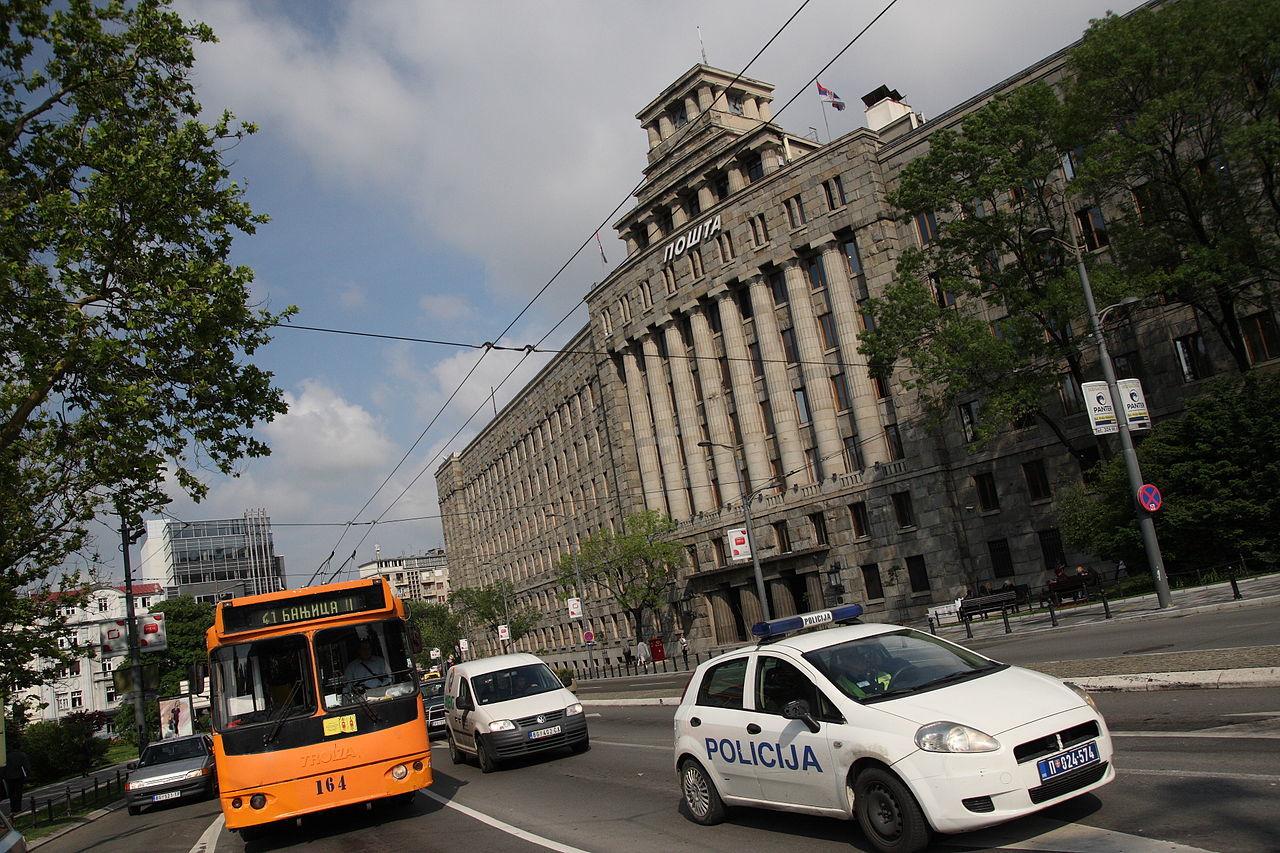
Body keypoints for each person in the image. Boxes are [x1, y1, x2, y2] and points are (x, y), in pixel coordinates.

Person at [2, 741, 32, 813]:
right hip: (19, 775)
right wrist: (27, 774)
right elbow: (26, 766)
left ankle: (13, 807)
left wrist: (3, 775)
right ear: (19, 747)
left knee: (11, 792)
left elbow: (3, 766)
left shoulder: (8, 756)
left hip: (9, 777)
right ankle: (18, 807)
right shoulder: (22, 755)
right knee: (18, 792)